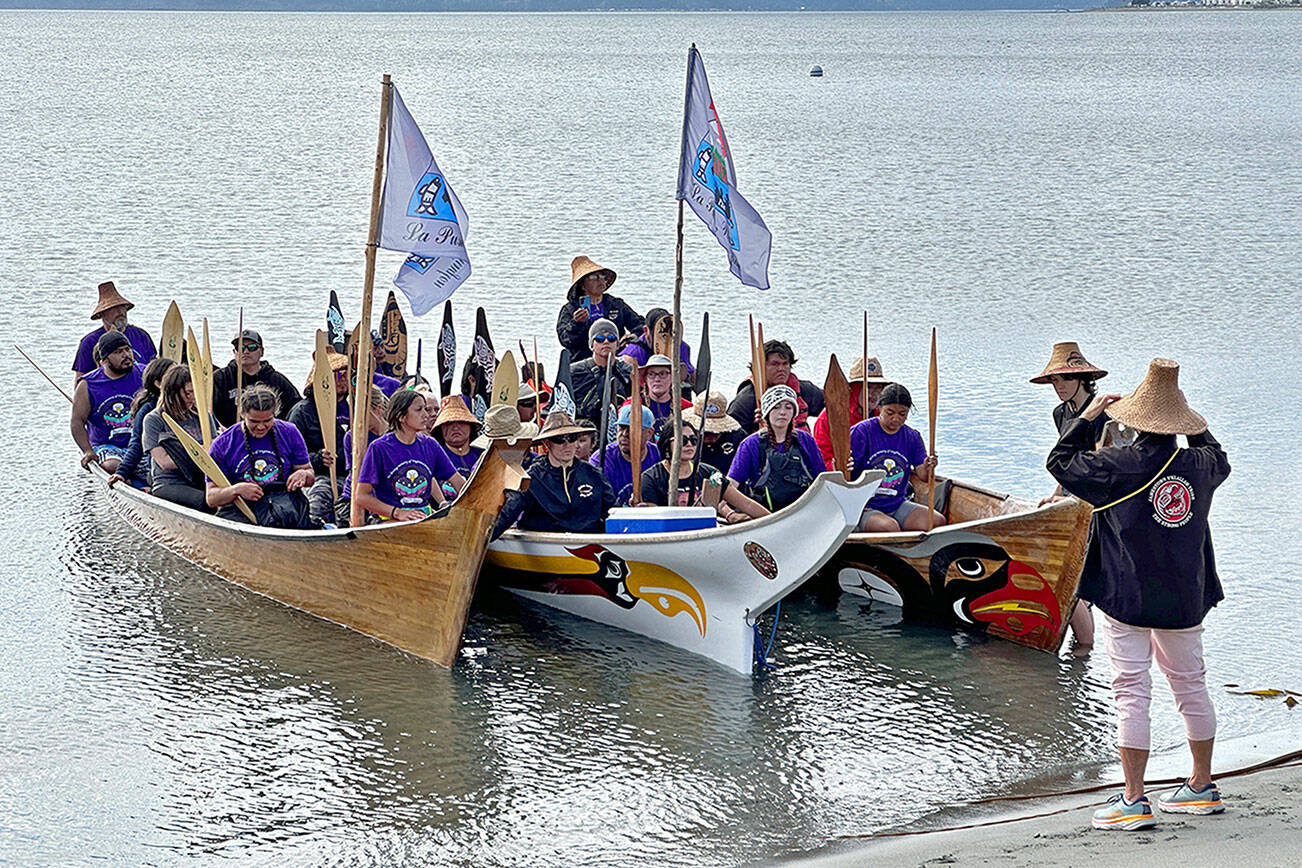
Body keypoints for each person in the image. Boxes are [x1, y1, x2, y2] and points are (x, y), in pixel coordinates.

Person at [1047, 359, 1229, 831]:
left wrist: (1087, 419)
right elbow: (1220, 456)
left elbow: (1060, 464)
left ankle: (1133, 799)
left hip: (1129, 594)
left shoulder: (1119, 465)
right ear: (1180, 423)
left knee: (1131, 690)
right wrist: (1197, 427)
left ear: (1133, 419)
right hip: (1185, 596)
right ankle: (1202, 786)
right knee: (1191, 683)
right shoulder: (1201, 463)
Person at [1032, 341, 1110, 647]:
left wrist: (1076, 499)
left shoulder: (1103, 412)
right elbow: (1066, 460)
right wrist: (1056, 495)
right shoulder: (1060, 413)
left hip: (1096, 504)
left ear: (1082, 378)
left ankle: (1084, 652)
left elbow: (1103, 466)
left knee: (1078, 583)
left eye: (1064, 379)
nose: (1059, 386)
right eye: (1054, 379)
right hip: (1070, 498)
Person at [205, 384, 315, 528]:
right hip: (243, 507)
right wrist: (236, 490)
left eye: (268, 420)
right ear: (243, 415)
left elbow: (310, 476)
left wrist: (303, 474)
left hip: (284, 503)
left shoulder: (289, 432)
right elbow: (211, 498)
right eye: (254, 421)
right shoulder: (222, 444)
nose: (261, 427)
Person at [353, 390, 467, 522]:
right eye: (419, 410)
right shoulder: (379, 448)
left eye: (425, 409)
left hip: (424, 519)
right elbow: (361, 496)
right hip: (389, 521)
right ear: (401, 417)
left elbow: (459, 483)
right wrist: (397, 513)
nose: (426, 415)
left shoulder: (430, 445)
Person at [493, 410, 615, 535]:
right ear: (547, 443)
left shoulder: (594, 474)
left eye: (572, 438)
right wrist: (483, 539)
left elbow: (613, 512)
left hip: (589, 546)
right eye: (559, 439)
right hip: (543, 547)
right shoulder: (531, 478)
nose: (567, 444)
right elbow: (507, 516)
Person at [849, 383, 944, 532]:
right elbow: (846, 474)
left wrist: (929, 466)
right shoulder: (861, 432)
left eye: (902, 414)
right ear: (880, 408)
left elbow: (924, 476)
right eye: (890, 412)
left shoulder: (912, 437)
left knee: (936, 521)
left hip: (897, 503)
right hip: (865, 506)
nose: (896, 419)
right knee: (889, 527)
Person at [640, 420, 768, 522]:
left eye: (693, 440)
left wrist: (773, 520)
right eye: (683, 440)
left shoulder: (710, 474)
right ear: (667, 444)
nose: (689, 444)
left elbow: (747, 504)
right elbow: (653, 520)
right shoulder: (651, 478)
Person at [727, 385, 827, 512]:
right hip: (765, 514)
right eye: (776, 407)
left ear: (793, 412)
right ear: (767, 412)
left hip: (803, 510)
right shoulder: (750, 444)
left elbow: (822, 478)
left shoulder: (805, 440)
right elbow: (731, 485)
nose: (782, 412)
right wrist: (728, 512)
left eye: (788, 407)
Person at [142, 364, 219, 512]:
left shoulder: (202, 415)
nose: (193, 398)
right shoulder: (153, 419)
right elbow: (164, 462)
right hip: (170, 482)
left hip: (200, 478)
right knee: (206, 502)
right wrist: (201, 452)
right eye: (189, 393)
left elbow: (214, 448)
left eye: (196, 392)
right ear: (173, 392)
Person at [71, 330, 145, 473]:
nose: (126, 355)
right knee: (112, 466)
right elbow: (77, 421)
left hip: (141, 444)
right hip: (107, 446)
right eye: (118, 352)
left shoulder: (144, 374)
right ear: (104, 360)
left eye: (127, 350)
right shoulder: (88, 384)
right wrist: (87, 451)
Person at [555, 256, 643, 362]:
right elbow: (565, 340)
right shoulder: (570, 309)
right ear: (582, 285)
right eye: (593, 277)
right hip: (582, 361)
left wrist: (632, 337)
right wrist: (577, 324)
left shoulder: (615, 304)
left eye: (602, 276)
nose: (600, 280)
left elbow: (640, 324)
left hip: (615, 358)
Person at [726, 339, 825, 434]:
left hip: (802, 447)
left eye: (785, 364)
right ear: (760, 367)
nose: (781, 369)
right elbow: (732, 434)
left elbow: (832, 407)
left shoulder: (804, 390)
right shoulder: (747, 399)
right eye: (774, 364)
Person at [811, 356, 889, 469]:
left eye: (878, 387)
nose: (874, 393)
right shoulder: (828, 418)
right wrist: (838, 466)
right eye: (868, 387)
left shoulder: (884, 416)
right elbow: (821, 460)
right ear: (854, 388)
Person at [212, 329, 300, 427]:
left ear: (261, 352)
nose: (246, 351)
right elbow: (208, 410)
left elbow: (295, 407)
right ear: (234, 352)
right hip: (231, 434)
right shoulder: (220, 378)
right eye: (240, 348)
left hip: (268, 433)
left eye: (252, 347)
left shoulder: (276, 380)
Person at [111, 356, 176, 489]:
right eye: (173, 376)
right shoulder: (148, 410)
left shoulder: (186, 404)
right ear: (158, 383)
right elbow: (136, 444)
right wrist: (122, 473)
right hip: (155, 464)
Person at [72, 280, 157, 380]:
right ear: (102, 314)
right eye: (114, 308)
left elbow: (154, 367)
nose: (120, 312)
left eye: (122, 307)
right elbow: (80, 379)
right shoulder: (89, 342)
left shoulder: (141, 336)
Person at [286, 350, 348, 481]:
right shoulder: (302, 412)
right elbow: (289, 455)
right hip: (319, 476)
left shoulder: (354, 407)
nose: (342, 379)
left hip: (352, 475)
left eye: (346, 374)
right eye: (337, 375)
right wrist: (319, 459)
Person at [331, 388, 389, 527]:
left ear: (378, 410)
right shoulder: (351, 437)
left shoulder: (393, 435)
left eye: (363, 414)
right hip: (354, 498)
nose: (358, 420)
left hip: (388, 498)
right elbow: (358, 476)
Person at [590, 405, 660, 506]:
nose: (624, 434)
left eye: (632, 429)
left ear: (649, 433)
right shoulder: (601, 458)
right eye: (621, 428)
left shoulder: (658, 455)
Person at [571, 318, 633, 430]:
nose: (606, 342)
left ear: (617, 344)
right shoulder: (574, 372)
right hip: (585, 429)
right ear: (591, 345)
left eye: (611, 338)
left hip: (620, 429)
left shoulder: (628, 371)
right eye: (599, 339)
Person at [618, 307, 695, 386]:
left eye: (668, 335)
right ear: (646, 331)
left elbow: (691, 377)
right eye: (660, 337)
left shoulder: (680, 346)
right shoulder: (631, 355)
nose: (664, 342)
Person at [621, 354, 692, 436]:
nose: (657, 379)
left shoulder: (685, 407)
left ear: (673, 378)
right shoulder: (632, 405)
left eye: (663, 374)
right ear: (645, 379)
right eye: (651, 374)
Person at [688, 390, 747, 475]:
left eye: (716, 432)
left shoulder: (738, 437)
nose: (711, 436)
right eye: (706, 432)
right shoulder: (683, 436)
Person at [432, 395, 483, 478]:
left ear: (470, 426)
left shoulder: (482, 456)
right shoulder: (435, 457)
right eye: (449, 423)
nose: (455, 427)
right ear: (441, 428)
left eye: (461, 422)